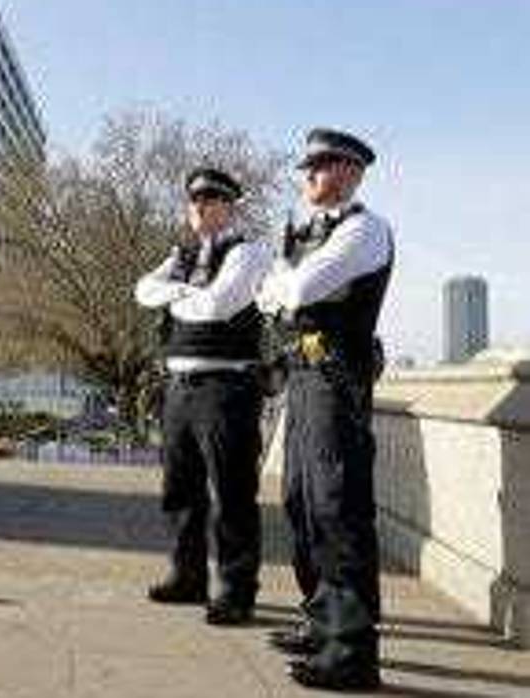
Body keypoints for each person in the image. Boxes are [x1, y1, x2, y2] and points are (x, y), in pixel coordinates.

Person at [257, 128, 394, 691]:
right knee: (302, 504)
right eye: (307, 167)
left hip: (338, 375)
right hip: (305, 374)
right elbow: (267, 293)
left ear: (352, 171)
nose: (309, 175)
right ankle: (321, 620)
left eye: (321, 165)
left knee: (339, 507)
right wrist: (284, 287)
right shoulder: (307, 232)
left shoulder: (363, 229)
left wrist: (286, 287)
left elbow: (296, 290)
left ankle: (353, 648)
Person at [134, 167, 272, 626]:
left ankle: (235, 589)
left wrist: (175, 296)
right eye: (194, 200)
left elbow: (219, 305)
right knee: (180, 491)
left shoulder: (248, 252)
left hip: (225, 387)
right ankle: (188, 577)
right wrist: (184, 290)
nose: (200, 206)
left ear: (230, 206)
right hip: (179, 388)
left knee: (232, 492)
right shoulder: (183, 254)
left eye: (211, 199)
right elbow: (142, 291)